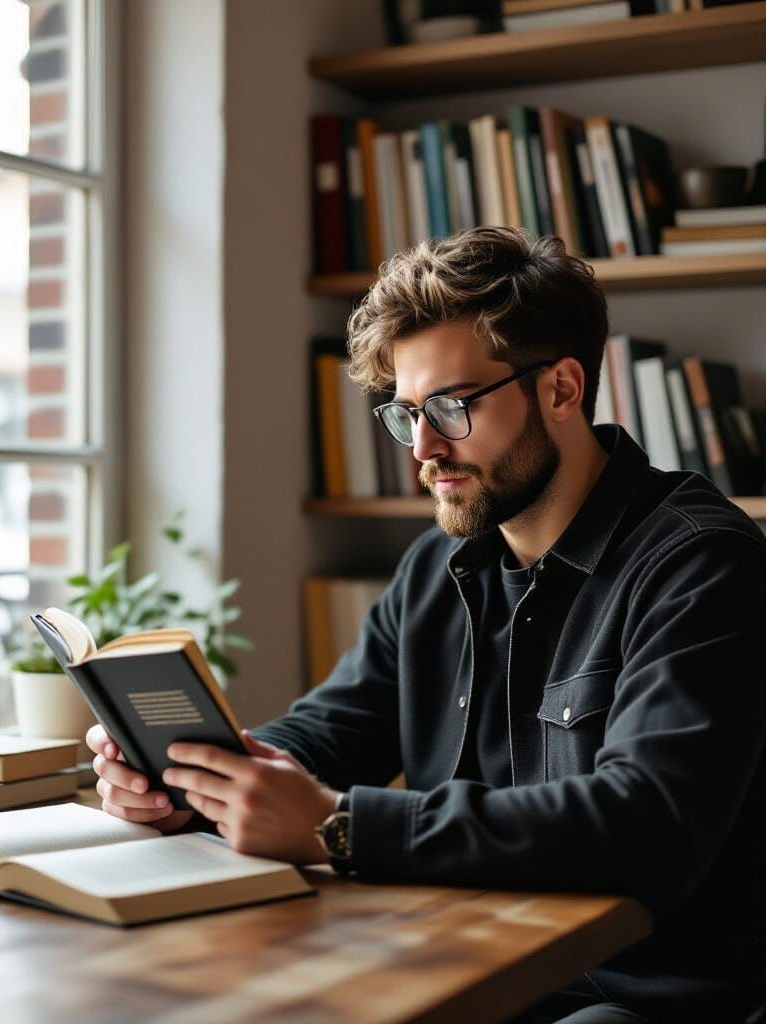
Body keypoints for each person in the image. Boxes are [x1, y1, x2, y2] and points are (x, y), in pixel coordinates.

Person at [87, 227, 766, 1023]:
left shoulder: (704, 563)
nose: (424, 449)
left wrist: (340, 827)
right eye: (406, 414)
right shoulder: (437, 567)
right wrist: (197, 783)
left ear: (562, 388)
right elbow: (332, 729)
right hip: (453, 952)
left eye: (450, 407)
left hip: (642, 994)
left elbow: (646, 822)